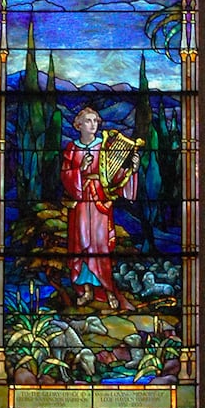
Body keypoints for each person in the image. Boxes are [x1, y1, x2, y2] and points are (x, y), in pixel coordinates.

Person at [61, 106, 140, 310]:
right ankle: (85, 289)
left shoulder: (103, 146)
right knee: (81, 245)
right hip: (80, 204)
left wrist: (132, 168)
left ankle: (107, 289)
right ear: (78, 125)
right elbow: (65, 176)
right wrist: (81, 169)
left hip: (100, 202)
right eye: (88, 121)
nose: (93, 125)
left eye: (96, 121)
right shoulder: (72, 148)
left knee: (100, 246)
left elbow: (114, 177)